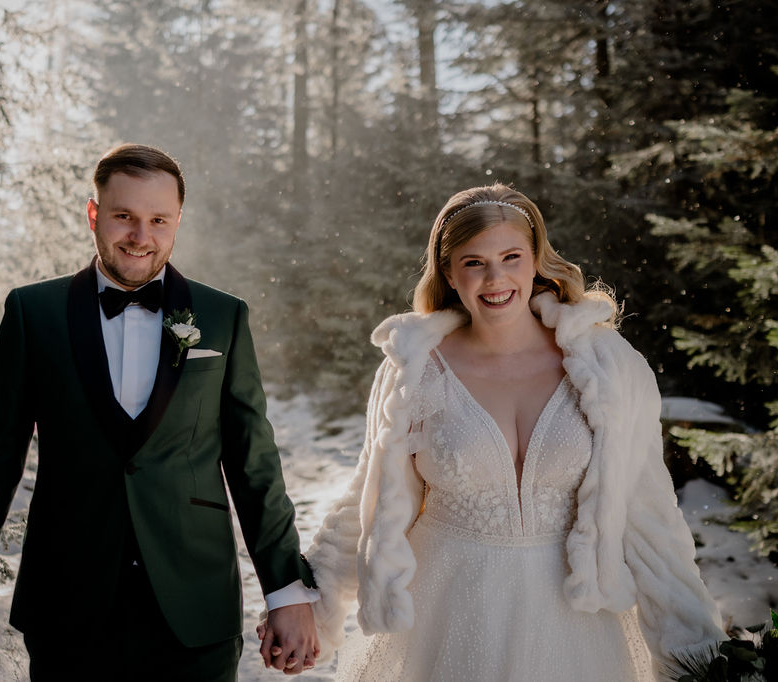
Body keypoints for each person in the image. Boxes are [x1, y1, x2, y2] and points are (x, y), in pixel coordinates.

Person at [263, 183, 726, 680]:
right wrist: (307, 604)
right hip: (445, 616)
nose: (495, 278)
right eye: (474, 262)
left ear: (536, 260)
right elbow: (369, 501)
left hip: (575, 628)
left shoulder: (607, 365)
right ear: (448, 273)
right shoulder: (415, 367)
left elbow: (651, 517)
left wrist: (701, 658)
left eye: (511, 257)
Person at [0, 143, 319, 682]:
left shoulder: (223, 316)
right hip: (67, 607)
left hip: (196, 608)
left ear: (178, 220)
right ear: (94, 214)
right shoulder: (32, 313)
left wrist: (287, 591)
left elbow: (254, 465)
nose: (141, 236)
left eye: (158, 219)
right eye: (124, 216)